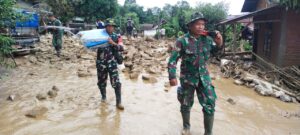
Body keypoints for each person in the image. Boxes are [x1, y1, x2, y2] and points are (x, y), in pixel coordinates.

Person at [167, 12, 223, 135]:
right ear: (190, 26)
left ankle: (208, 132)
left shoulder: (207, 39)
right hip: (188, 78)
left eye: (202, 24)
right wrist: (172, 76)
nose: (201, 27)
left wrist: (219, 41)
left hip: (204, 78)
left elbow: (217, 51)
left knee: (210, 103)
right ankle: (186, 127)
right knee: (186, 103)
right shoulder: (182, 41)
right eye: (197, 24)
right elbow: (172, 60)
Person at [96, 18, 124, 110]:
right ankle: (103, 97)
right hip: (101, 63)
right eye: (108, 26)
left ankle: (118, 102)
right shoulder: (99, 36)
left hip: (112, 63)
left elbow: (121, 48)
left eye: (112, 26)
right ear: (105, 27)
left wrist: (113, 43)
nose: (110, 28)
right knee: (101, 82)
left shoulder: (117, 36)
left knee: (116, 83)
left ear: (114, 27)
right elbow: (91, 45)